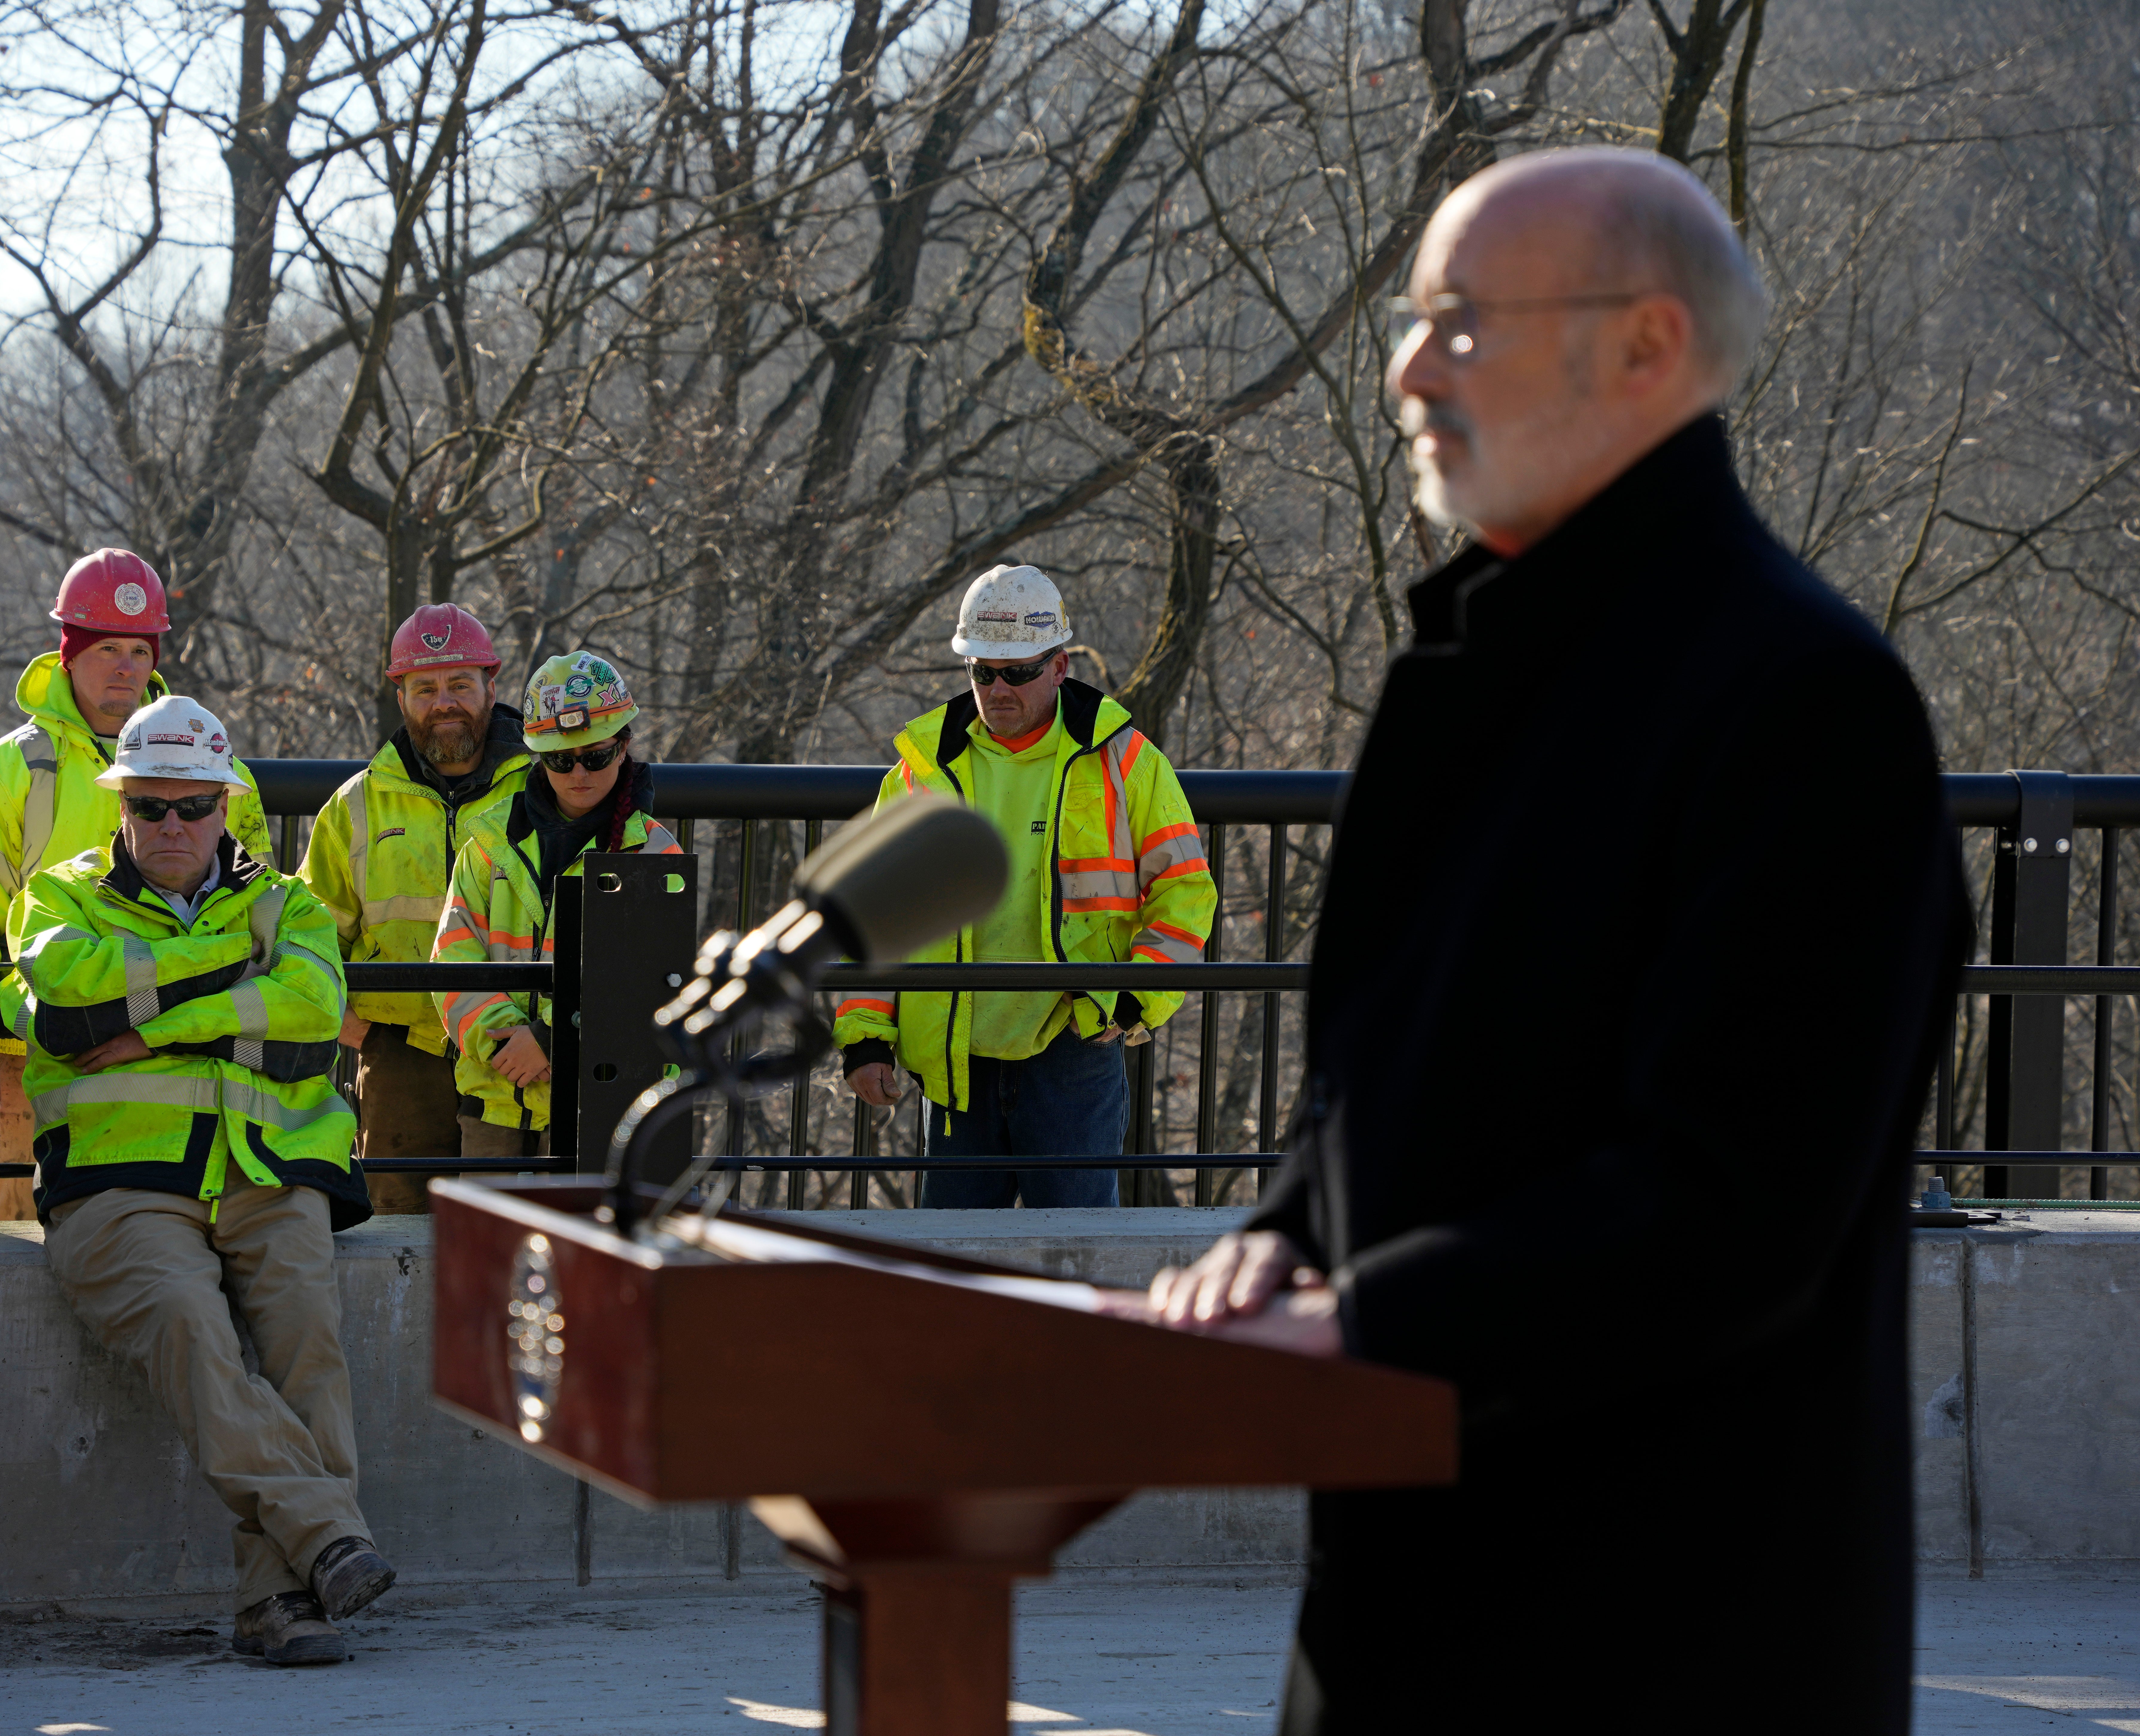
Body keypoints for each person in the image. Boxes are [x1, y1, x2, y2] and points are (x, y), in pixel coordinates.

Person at [1135, 148, 1970, 1734]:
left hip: (1662, 1639)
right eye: (1416, 320)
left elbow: (1734, 1199)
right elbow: (1404, 1068)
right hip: (1409, 1603)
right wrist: (1291, 1233)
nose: (1406, 370)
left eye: (1461, 325)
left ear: (1648, 345)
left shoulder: (1804, 701)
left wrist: (1363, 1321)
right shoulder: (1479, 656)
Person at [0, 693, 388, 1667]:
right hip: (119, 1185)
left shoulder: (289, 905)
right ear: (122, 806)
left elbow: (307, 1021)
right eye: (151, 808)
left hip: (271, 1171)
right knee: (187, 1320)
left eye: (194, 808)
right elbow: (67, 1007)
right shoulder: (59, 898)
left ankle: (279, 1603)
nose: (173, 827)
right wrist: (224, 971)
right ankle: (329, 1537)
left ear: (227, 806)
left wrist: (154, 1014)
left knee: (308, 1335)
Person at [832, 564, 1216, 1208]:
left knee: (1077, 1262)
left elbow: (1185, 893)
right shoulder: (922, 772)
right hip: (957, 1058)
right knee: (954, 1279)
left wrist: (1131, 1004)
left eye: (1018, 672)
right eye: (983, 672)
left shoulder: (1125, 760)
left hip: (1073, 1050)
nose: (998, 689)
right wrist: (867, 1037)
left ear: (1061, 667)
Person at [0, 550, 272, 1221]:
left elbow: (257, 911)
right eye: (106, 647)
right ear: (67, 654)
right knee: (28, 1252)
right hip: (28, 1056)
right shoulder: (2, 773)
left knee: (172, 1237)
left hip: (178, 1047)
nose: (125, 667)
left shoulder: (218, 773)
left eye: (140, 651)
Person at [299, 605, 528, 1213]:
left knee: (503, 1235)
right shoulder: (357, 805)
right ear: (401, 697)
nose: (444, 702)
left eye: (460, 684)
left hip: (514, 1048)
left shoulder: (541, 790)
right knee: (394, 1228)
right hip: (399, 1056)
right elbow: (307, 932)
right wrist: (356, 1029)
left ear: (491, 687)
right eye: (425, 688)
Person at [431, 651, 682, 1157]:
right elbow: (452, 960)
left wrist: (550, 1040)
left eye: (596, 756)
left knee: (585, 1236)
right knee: (490, 1236)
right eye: (560, 759)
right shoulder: (486, 843)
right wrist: (508, 1045)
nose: (579, 773)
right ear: (537, 756)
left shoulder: (656, 854)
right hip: (496, 1095)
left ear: (625, 746)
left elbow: (654, 987)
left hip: (605, 1103)